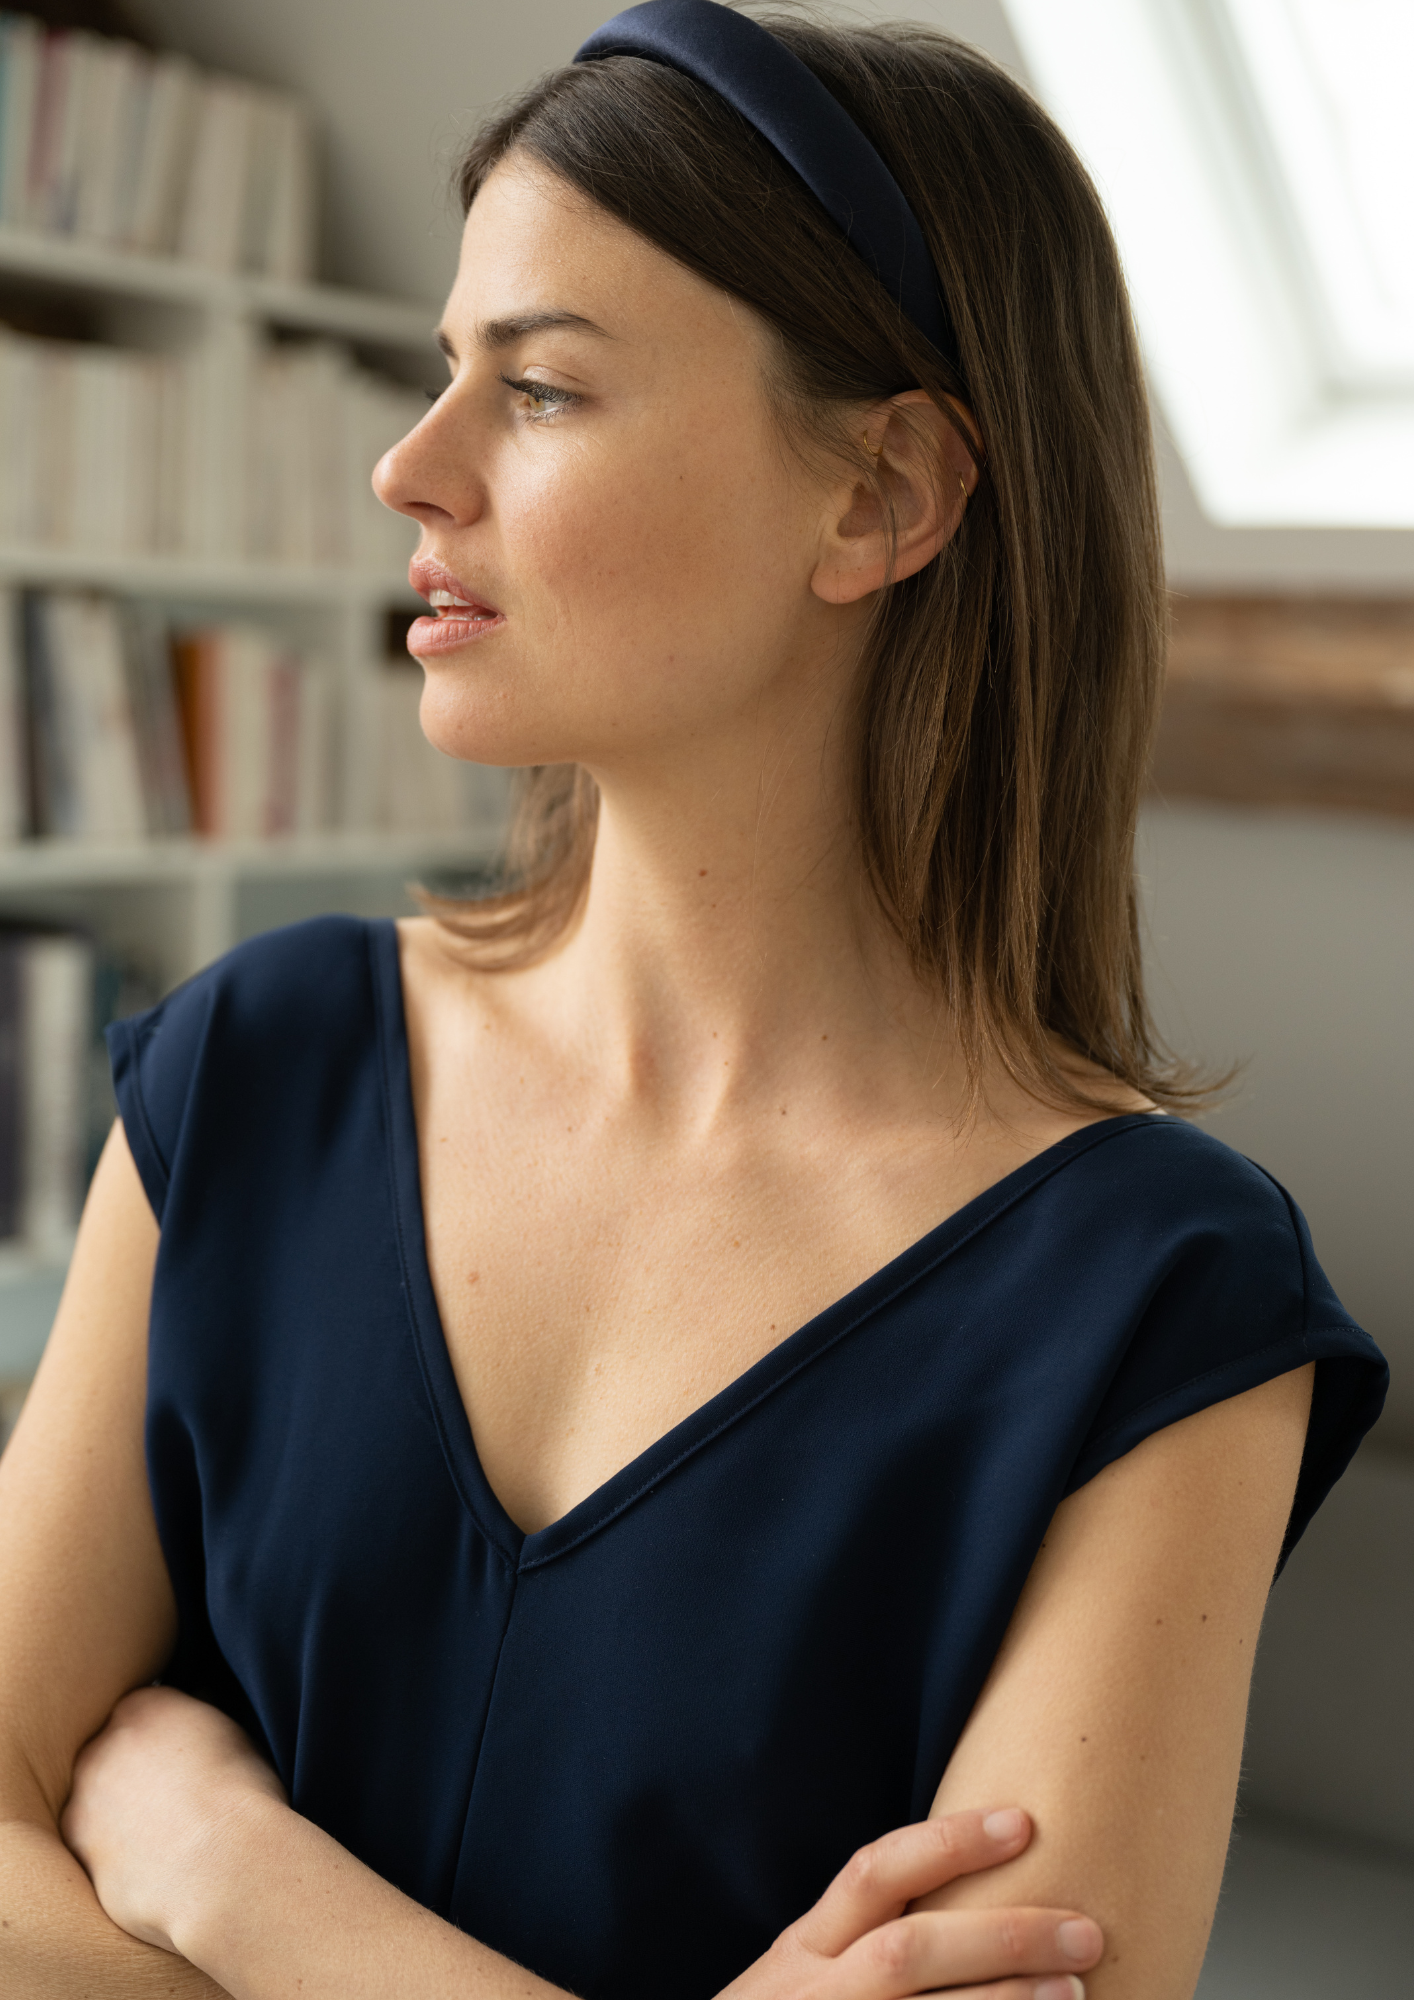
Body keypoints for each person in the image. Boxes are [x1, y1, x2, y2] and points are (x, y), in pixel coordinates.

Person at [0, 5, 1386, 1998]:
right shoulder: (254, 1066)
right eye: (440, 372)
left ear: (880, 497)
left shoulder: (1165, 1300)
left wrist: (231, 1874)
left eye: (542, 390)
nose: (411, 466)